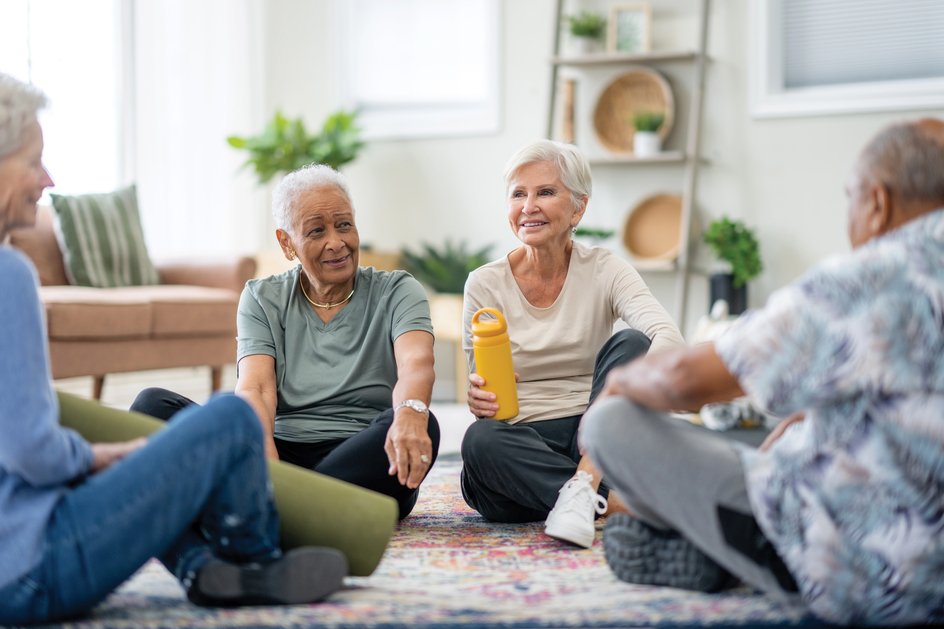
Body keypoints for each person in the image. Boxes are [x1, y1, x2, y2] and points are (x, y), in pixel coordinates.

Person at [0, 73, 347, 625]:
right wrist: (95, 456)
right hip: (31, 569)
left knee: (159, 441)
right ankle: (254, 562)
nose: (48, 178)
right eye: (32, 160)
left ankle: (200, 566)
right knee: (230, 415)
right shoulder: (7, 274)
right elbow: (32, 455)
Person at [581, 118, 944, 626]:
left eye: (850, 198)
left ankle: (740, 555)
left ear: (878, 203)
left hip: (873, 577)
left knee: (608, 423)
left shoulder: (874, 275)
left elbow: (688, 381)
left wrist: (616, 383)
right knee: (786, 430)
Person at [132, 164, 440, 519]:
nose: (336, 242)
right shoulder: (263, 297)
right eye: (316, 231)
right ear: (287, 243)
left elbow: (416, 364)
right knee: (153, 408)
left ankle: (269, 511)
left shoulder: (398, 290)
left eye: (344, 224)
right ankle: (299, 509)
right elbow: (257, 390)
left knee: (421, 418)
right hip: (280, 453)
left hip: (362, 456)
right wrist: (267, 471)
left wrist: (409, 414)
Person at [460, 140, 685, 548]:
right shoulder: (484, 283)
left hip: (593, 436)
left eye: (545, 192)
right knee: (479, 441)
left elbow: (669, 339)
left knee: (632, 341)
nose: (528, 206)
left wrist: (608, 405)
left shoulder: (606, 269)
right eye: (518, 194)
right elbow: (480, 386)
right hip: (519, 450)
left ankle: (585, 483)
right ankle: (615, 504)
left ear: (578, 208)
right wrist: (478, 396)